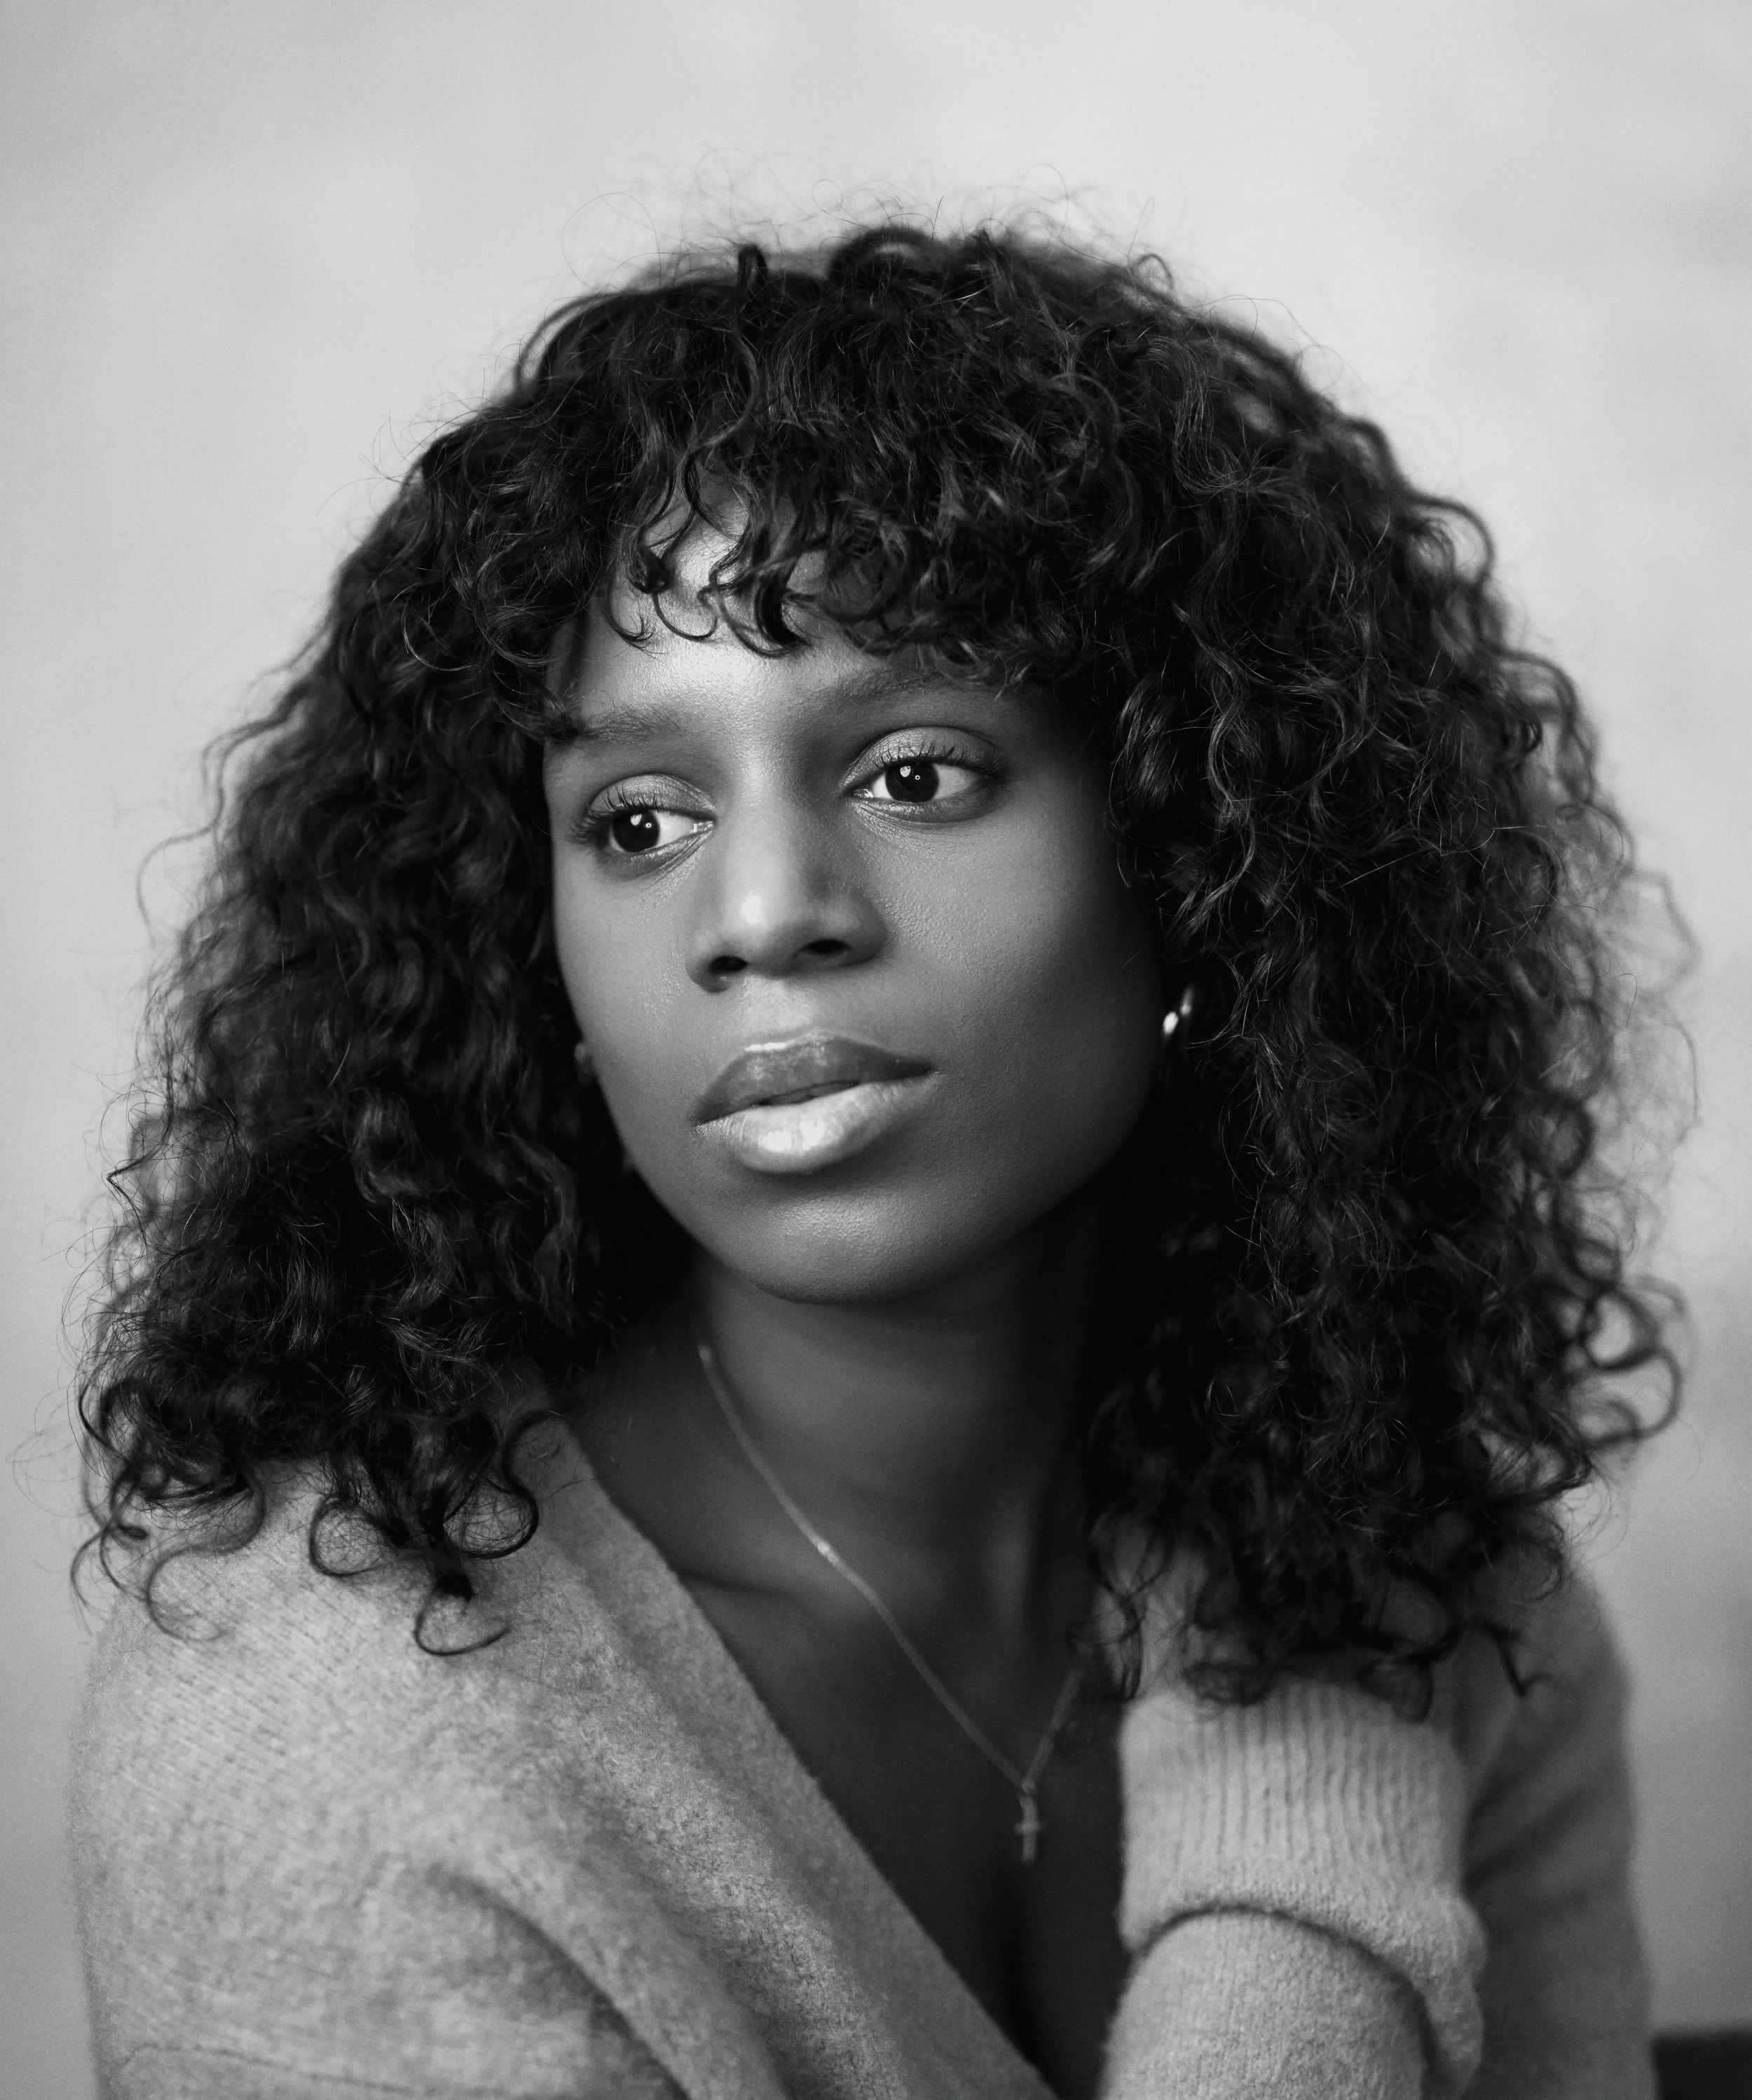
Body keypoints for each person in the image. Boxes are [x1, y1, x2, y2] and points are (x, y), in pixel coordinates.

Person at [68, 221, 1678, 2100]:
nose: (763, 914)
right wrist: (1319, 1849)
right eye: (639, 820)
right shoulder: (330, 1737)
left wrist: (1319, 1719)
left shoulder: (1441, 1602)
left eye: (915, 773)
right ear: (529, 944)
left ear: (1202, 858)